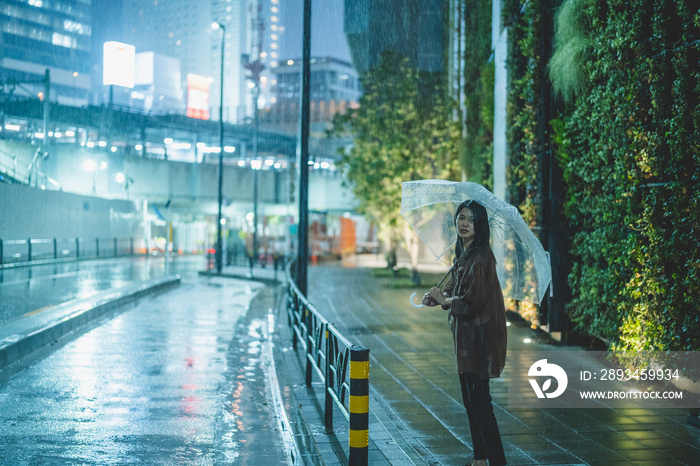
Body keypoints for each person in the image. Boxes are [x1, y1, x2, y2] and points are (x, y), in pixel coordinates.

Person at [422, 200, 508, 466]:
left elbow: (474, 301)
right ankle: (480, 458)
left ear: (479, 225)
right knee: (471, 402)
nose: (464, 224)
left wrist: (446, 301)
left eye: (470, 219)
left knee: (481, 403)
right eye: (461, 218)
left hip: (478, 340)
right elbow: (453, 288)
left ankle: (497, 461)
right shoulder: (463, 255)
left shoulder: (481, 257)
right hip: (465, 340)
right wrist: (438, 297)